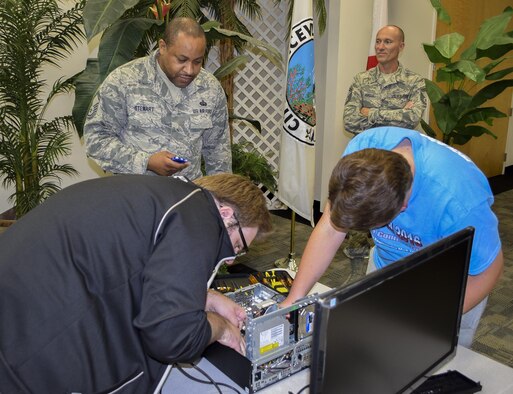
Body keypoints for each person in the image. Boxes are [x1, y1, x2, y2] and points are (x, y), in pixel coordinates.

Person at [0, 173, 272, 393]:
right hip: (28, 348)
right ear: (225, 214)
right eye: (237, 246)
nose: (230, 259)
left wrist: (206, 297)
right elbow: (172, 337)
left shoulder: (161, 194)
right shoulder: (199, 216)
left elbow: (134, 266)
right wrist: (222, 327)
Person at [282, 126, 503, 348]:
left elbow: (487, 270)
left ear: (403, 208)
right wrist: (295, 298)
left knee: (436, 359)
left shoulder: (459, 201)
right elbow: (330, 230)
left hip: (451, 284)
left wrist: (427, 321)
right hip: (388, 268)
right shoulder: (361, 152)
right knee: (375, 347)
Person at [84, 17, 231, 180]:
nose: (189, 70)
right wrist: (146, 162)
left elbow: (218, 154)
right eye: (181, 60)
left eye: (197, 62)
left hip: (186, 196)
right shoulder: (124, 81)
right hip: (136, 195)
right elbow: (96, 141)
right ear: (162, 47)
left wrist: (220, 200)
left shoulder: (210, 88)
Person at [343, 25, 427, 135]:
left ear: (401, 47)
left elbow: (412, 120)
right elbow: (349, 122)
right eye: (378, 41)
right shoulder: (361, 80)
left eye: (387, 42)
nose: (380, 47)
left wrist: (370, 113)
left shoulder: (414, 81)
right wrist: (400, 113)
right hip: (366, 149)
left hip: (396, 149)